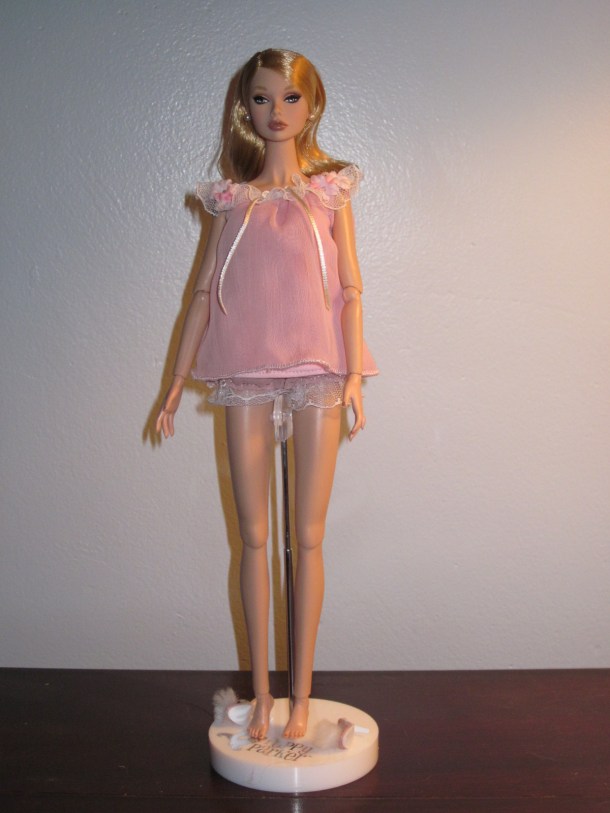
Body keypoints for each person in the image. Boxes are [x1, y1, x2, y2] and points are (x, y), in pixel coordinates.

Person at [156, 48, 377, 740]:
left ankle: (302, 697)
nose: (275, 111)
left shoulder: (328, 193)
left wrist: (353, 375)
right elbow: (201, 294)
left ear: (311, 106)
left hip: (318, 372)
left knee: (307, 538)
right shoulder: (232, 200)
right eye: (260, 98)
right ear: (243, 108)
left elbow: (350, 288)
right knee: (254, 538)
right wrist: (173, 386)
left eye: (289, 98)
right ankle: (261, 694)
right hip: (243, 371)